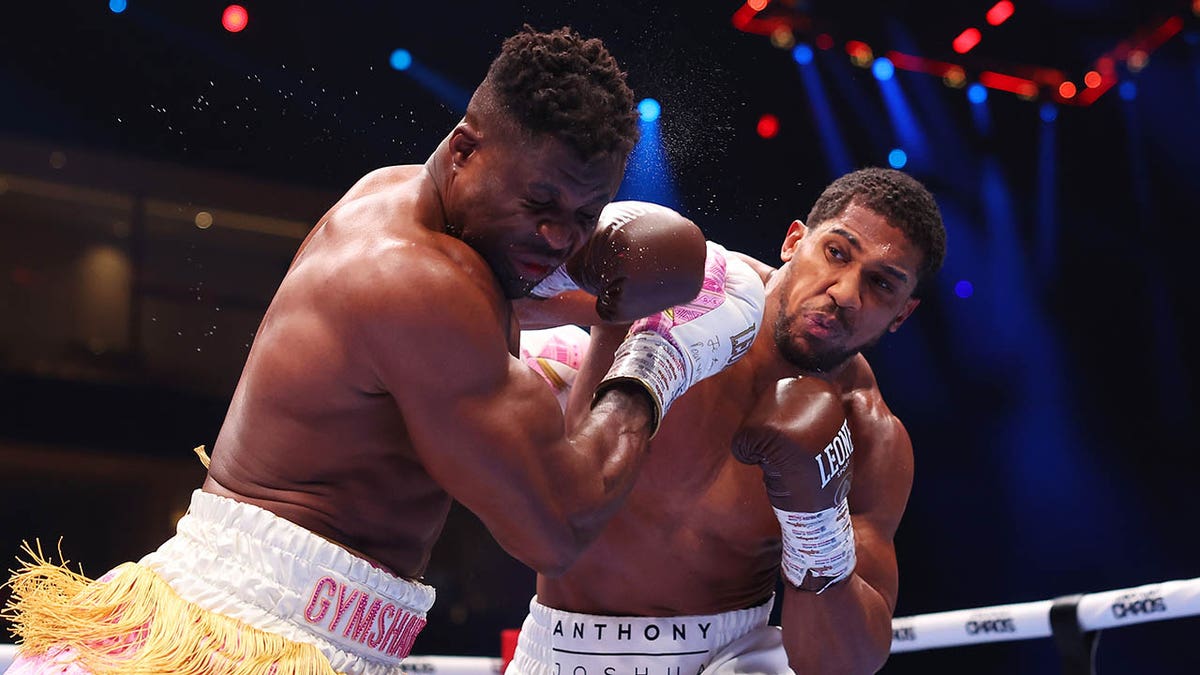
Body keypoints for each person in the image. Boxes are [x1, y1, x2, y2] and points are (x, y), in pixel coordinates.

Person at [3, 26, 765, 675]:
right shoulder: (419, 283)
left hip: (294, 622)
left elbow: (549, 287)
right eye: (540, 204)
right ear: (465, 151)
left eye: (585, 213)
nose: (561, 237)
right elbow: (555, 529)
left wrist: (729, 282)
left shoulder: (410, 202)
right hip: (251, 639)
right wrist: (654, 362)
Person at [510, 167, 947, 675]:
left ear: (902, 313)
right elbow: (499, 297)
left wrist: (818, 528)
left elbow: (843, 663)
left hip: (730, 657)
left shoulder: (870, 434)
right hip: (559, 644)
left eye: (880, 284)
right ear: (794, 241)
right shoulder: (683, 288)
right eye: (837, 253)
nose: (847, 293)